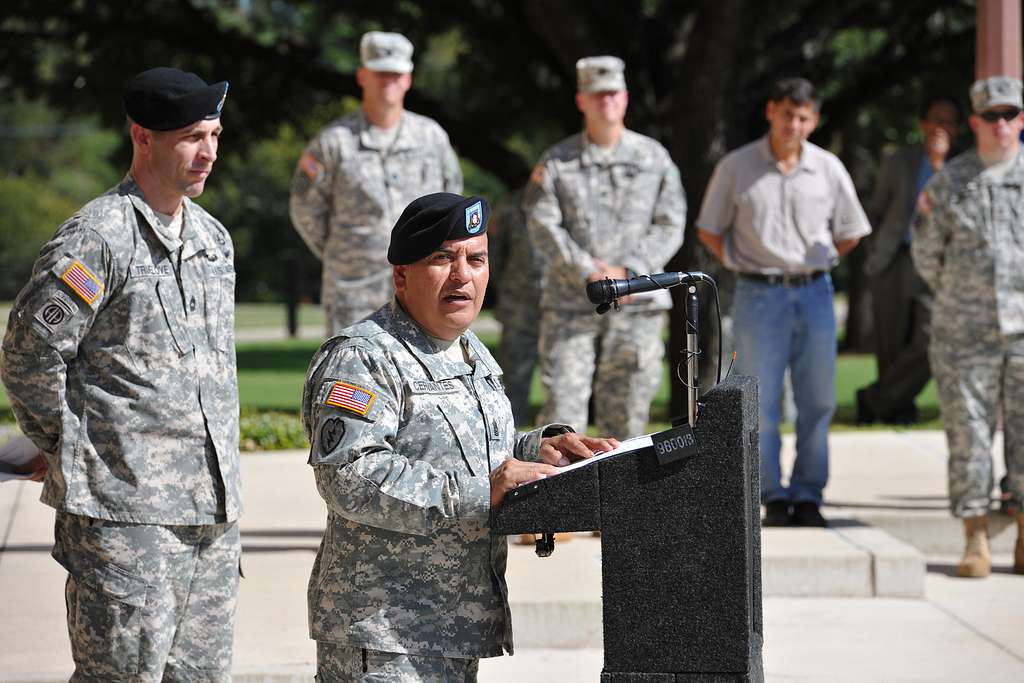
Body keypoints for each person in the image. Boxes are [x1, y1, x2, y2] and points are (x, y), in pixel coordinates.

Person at [302, 192, 617, 680]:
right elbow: (348, 475)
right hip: (386, 634)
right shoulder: (364, 358)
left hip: (454, 628)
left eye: (476, 258)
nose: (462, 275)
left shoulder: (468, 350)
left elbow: (472, 451)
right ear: (400, 275)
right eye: (441, 259)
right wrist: (479, 491)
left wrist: (541, 450)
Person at [0, 67, 242, 680]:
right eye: (191, 136)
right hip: (123, 517)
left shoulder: (213, 238)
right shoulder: (97, 238)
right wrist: (69, 447)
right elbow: (30, 351)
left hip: (209, 516)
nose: (207, 151)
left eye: (213, 133)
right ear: (142, 136)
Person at [696, 77, 871, 528]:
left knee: (818, 399)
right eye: (787, 114)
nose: (794, 124)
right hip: (759, 294)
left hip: (815, 293)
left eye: (804, 117)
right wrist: (738, 260)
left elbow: (852, 229)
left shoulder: (828, 168)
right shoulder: (737, 166)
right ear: (771, 111)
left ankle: (809, 494)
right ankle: (771, 493)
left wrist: (823, 259)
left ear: (813, 120)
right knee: (762, 401)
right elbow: (710, 228)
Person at [524, 56, 686, 438]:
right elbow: (542, 224)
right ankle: (563, 499)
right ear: (582, 100)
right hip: (572, 305)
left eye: (613, 93)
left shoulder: (654, 158)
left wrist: (629, 273)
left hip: (637, 307)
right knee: (562, 420)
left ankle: (624, 501)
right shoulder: (558, 162)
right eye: (596, 95)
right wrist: (588, 271)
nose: (606, 102)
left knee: (628, 420)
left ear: (626, 98)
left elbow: (670, 222)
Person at [912, 75, 1024, 578]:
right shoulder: (950, 182)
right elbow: (926, 255)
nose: (1001, 125)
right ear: (975, 122)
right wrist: (964, 299)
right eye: (992, 116)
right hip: (965, 333)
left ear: (1021, 120)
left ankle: (1023, 536)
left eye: (1011, 115)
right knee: (969, 436)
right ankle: (975, 536)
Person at [290, 31, 463, 335]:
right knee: (352, 375)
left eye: (396, 74)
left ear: (408, 79)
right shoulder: (334, 142)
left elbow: (452, 200)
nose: (389, 82)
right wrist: (345, 252)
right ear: (362, 76)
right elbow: (305, 209)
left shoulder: (431, 138)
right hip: (355, 289)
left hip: (421, 284)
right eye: (380, 73)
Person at [857, 95, 961, 425]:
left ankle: (874, 400)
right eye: (935, 119)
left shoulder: (962, 166)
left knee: (932, 340)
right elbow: (875, 209)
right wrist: (876, 248)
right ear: (923, 124)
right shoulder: (898, 160)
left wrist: (939, 164)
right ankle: (896, 410)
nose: (939, 127)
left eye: (947, 121)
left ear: (956, 130)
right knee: (890, 341)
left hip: (936, 265)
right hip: (894, 258)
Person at [488, 187, 542, 425]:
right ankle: (511, 436)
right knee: (513, 380)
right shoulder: (511, 204)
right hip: (519, 304)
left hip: (568, 304)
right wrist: (505, 288)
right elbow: (493, 253)